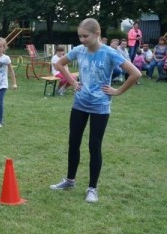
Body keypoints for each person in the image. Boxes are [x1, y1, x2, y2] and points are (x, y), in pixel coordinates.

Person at [50, 18, 141, 203]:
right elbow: (59, 64)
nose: (82, 40)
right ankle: (69, 181)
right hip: (79, 104)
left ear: (97, 34)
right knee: (73, 142)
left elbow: (135, 73)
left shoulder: (109, 53)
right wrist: (73, 82)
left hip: (100, 107)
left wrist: (118, 91)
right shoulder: (79, 51)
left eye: (85, 36)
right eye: (80, 36)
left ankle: (92, 188)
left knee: (94, 145)